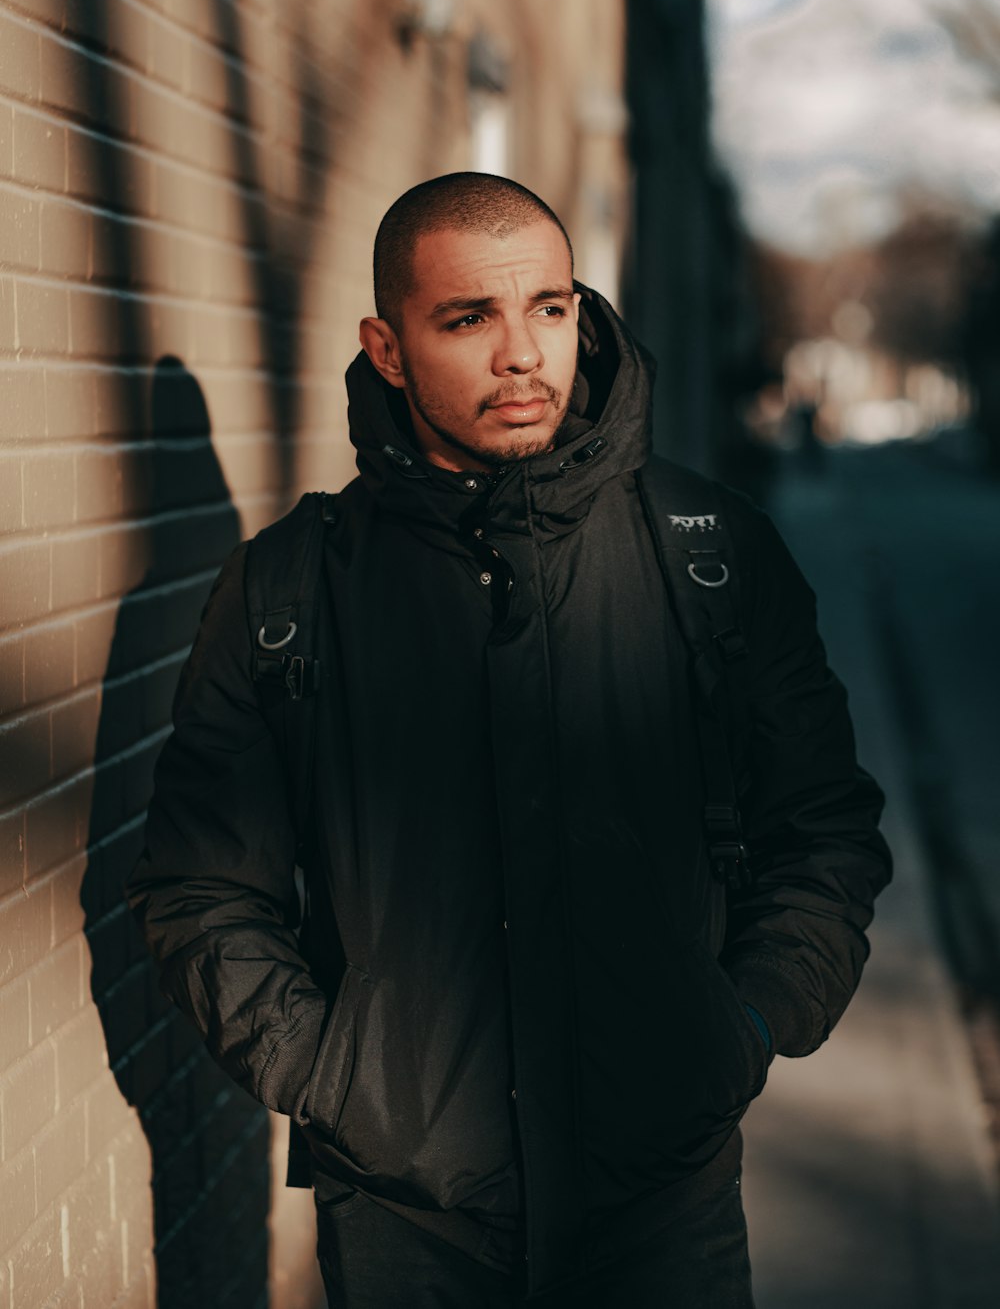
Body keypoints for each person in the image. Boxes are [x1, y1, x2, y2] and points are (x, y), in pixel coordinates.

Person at [126, 172, 891, 1308]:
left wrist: (739, 1028)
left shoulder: (708, 552)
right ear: (386, 349)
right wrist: (334, 1077)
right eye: (468, 319)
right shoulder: (292, 586)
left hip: (661, 1201)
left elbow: (822, 831)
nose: (523, 353)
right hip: (404, 1218)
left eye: (548, 306)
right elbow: (200, 885)